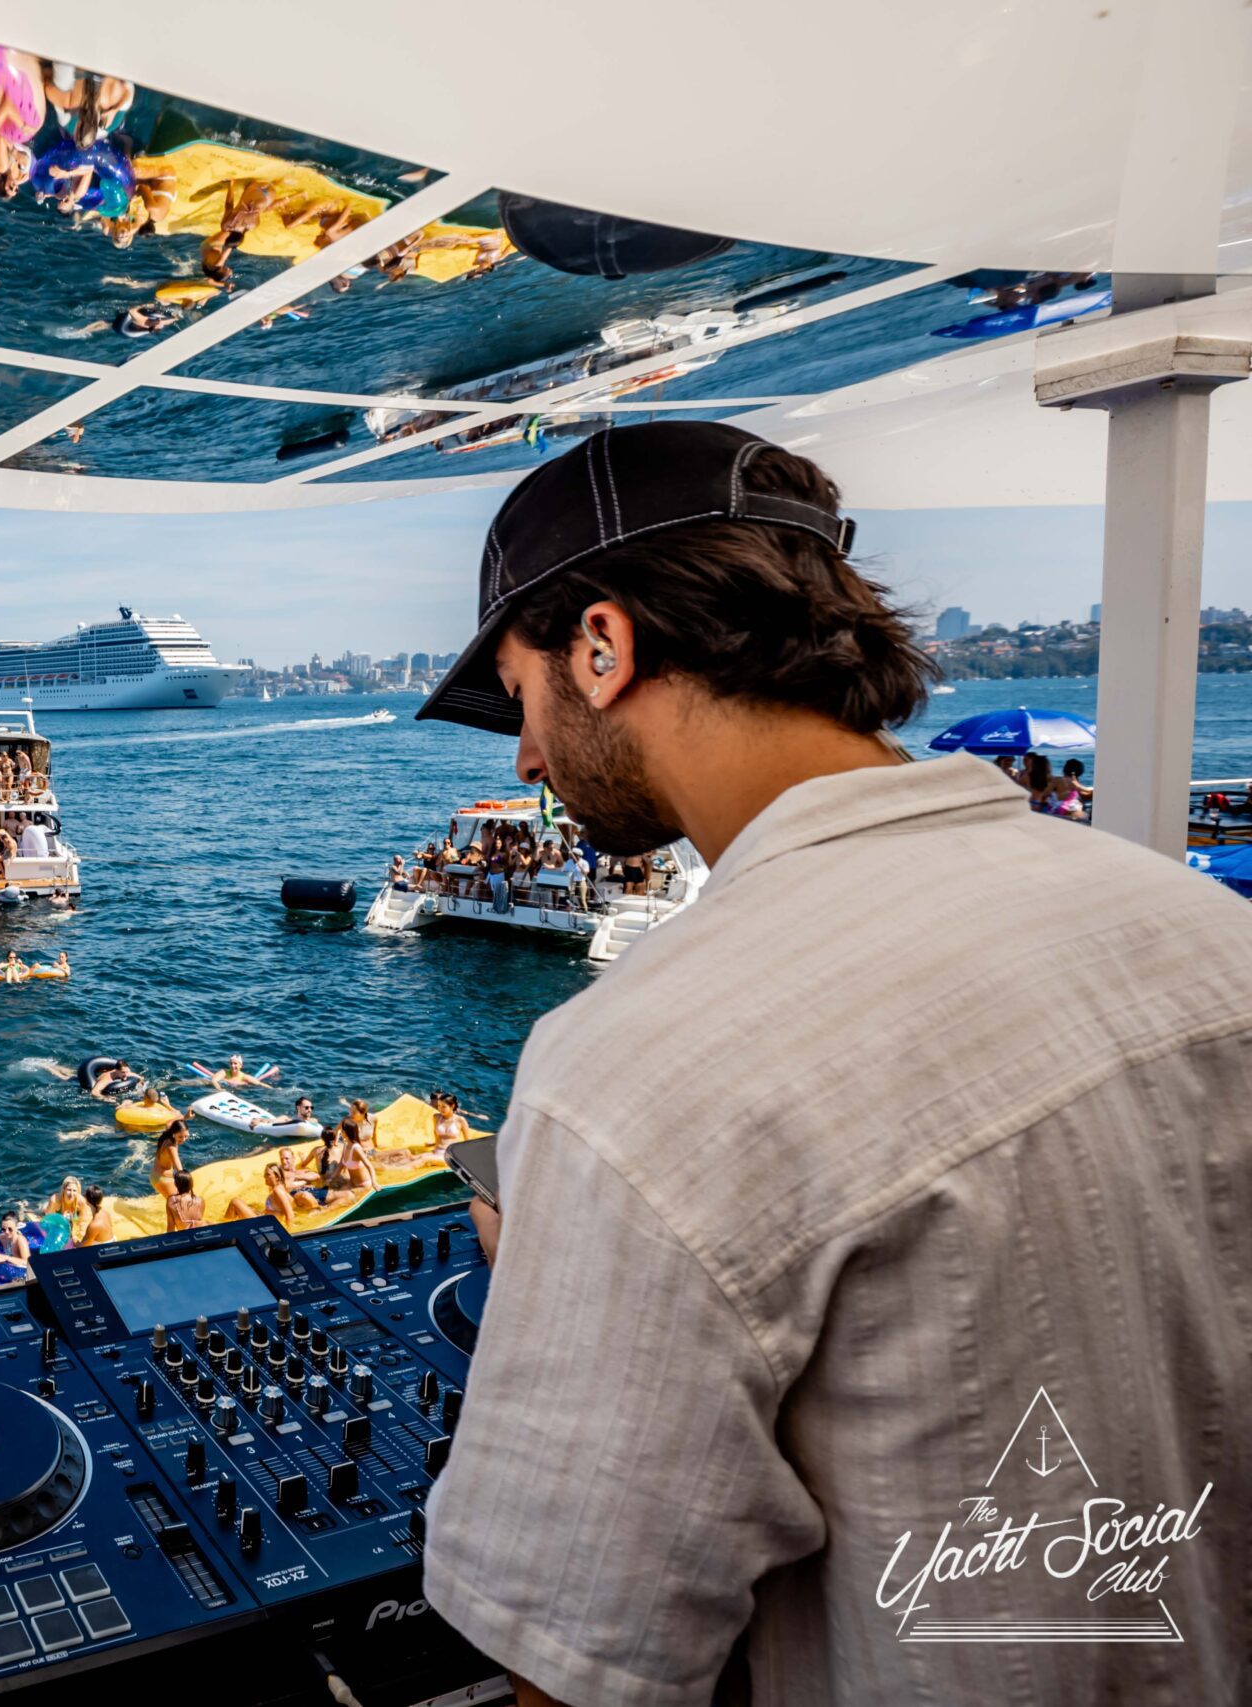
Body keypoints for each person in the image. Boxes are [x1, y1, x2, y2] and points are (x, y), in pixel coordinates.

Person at [408, 420, 1252, 1706]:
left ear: (601, 648)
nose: (525, 757)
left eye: (520, 699)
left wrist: (572, 1265)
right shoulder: (1205, 930)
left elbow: (577, 1670)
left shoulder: (636, 1069)